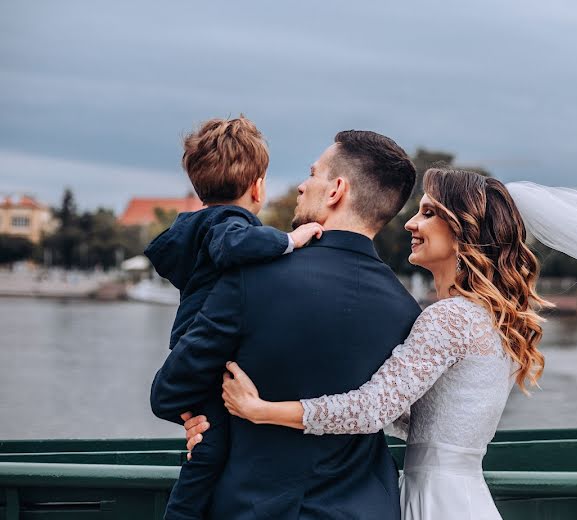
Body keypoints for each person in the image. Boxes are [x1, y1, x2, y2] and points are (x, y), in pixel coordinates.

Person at [192, 168, 549, 519]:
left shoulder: (450, 318)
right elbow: (422, 419)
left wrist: (261, 410)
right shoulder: (486, 317)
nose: (410, 223)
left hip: (434, 499)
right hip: (459, 495)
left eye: (428, 213)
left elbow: (373, 410)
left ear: (462, 231)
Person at [150, 130, 420, 519]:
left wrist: (201, 421)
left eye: (313, 174)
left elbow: (169, 392)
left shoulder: (252, 278)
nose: (301, 185)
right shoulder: (406, 311)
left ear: (336, 190)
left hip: (254, 506)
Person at [146, 115, 322, 520]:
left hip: (192, 349)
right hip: (206, 352)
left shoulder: (196, 227)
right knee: (207, 456)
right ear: (257, 186)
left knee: (208, 442)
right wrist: (289, 239)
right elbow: (233, 246)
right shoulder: (229, 224)